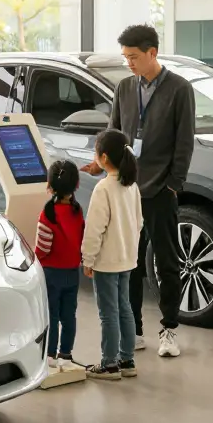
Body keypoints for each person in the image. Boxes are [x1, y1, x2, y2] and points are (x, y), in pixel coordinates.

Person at [84, 24, 194, 358]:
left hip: (161, 189)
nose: (129, 63)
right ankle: (135, 331)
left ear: (152, 53)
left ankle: (169, 330)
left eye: (133, 57)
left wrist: (174, 185)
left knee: (167, 261)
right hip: (128, 188)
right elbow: (113, 133)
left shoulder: (179, 89)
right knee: (129, 263)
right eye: (126, 57)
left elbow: (184, 141)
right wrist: (99, 162)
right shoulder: (125, 89)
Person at [81, 129, 144, 380]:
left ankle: (108, 365)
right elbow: (139, 222)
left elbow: (94, 229)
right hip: (127, 259)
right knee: (125, 308)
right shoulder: (132, 186)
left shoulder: (103, 188)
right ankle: (127, 360)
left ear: (103, 158)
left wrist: (88, 259)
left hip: (106, 262)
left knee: (108, 313)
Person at [35, 160, 85, 372]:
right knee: (68, 315)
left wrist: (33, 259)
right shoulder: (78, 211)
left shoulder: (47, 214)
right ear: (77, 185)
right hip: (72, 273)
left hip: (50, 274)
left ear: (49, 186)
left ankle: (50, 357)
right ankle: (66, 355)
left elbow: (42, 248)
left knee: (52, 316)